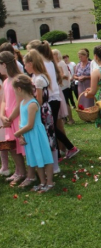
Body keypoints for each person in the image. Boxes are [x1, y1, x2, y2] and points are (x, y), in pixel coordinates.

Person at [27, 40, 79, 161]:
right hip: (53, 96)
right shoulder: (48, 62)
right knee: (52, 127)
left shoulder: (43, 64)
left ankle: (69, 148)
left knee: (51, 127)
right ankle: (60, 154)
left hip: (49, 98)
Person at [13, 74, 55, 193]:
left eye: (15, 90)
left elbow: (30, 124)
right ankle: (42, 182)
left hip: (37, 135)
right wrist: (21, 135)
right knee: (36, 159)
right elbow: (22, 121)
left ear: (19, 89)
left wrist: (17, 133)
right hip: (28, 136)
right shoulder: (22, 103)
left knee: (45, 157)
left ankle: (50, 182)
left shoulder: (32, 104)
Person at [23, 50, 59, 181]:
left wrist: (32, 108)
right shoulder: (36, 77)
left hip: (42, 110)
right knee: (48, 135)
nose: (25, 67)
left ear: (31, 64)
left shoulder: (38, 79)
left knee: (48, 136)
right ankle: (49, 165)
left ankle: (53, 165)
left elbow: (39, 99)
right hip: (42, 109)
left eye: (25, 64)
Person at [0, 51, 25, 186]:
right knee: (12, 147)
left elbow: (20, 101)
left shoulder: (18, 79)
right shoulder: (5, 81)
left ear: (3, 64)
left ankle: (25, 173)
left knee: (20, 146)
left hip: (17, 117)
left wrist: (10, 117)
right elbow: (4, 100)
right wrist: (2, 115)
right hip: (8, 118)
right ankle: (19, 171)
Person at [53, 49, 75, 125]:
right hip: (58, 86)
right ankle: (64, 119)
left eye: (54, 54)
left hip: (64, 86)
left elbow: (66, 75)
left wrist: (58, 77)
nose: (53, 56)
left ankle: (71, 119)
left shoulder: (61, 63)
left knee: (66, 102)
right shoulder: (54, 64)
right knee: (60, 103)